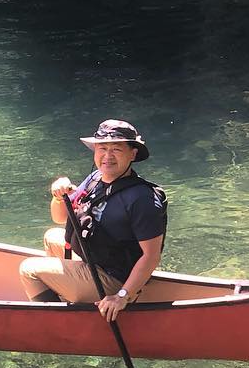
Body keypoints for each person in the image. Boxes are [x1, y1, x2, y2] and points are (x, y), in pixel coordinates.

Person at [18, 119, 167, 322]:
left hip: (116, 279)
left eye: (116, 149)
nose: (107, 156)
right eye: (102, 148)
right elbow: (60, 217)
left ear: (132, 154)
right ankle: (63, 296)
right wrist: (58, 195)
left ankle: (54, 324)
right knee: (51, 236)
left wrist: (121, 296)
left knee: (29, 270)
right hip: (98, 260)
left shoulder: (142, 199)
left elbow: (151, 256)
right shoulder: (96, 179)